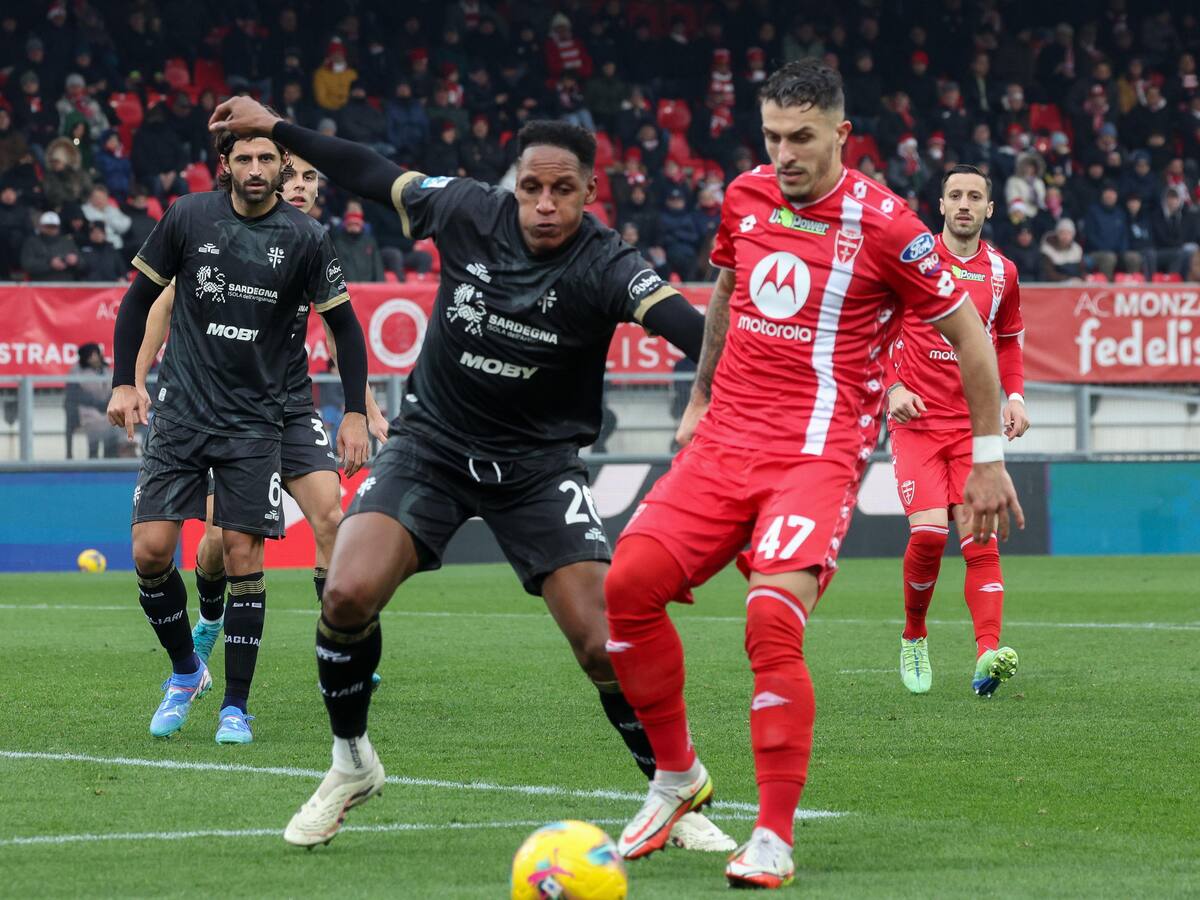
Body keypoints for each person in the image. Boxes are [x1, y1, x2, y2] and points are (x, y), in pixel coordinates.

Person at [207, 97, 731, 854]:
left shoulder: (608, 262)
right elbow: (368, 170)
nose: (545, 205)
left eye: (564, 191)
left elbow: (682, 322)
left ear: (590, 193)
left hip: (538, 465)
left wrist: (716, 381)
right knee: (347, 593)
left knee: (602, 643)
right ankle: (351, 762)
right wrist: (276, 129)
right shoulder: (464, 210)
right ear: (515, 184)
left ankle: (671, 791)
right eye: (532, 188)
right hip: (434, 445)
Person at [599, 60, 1022, 889]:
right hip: (723, 440)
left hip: (816, 453)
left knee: (770, 620)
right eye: (772, 137)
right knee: (627, 587)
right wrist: (697, 397)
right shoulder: (746, 196)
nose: (784, 154)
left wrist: (987, 457)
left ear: (840, 135)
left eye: (801, 138)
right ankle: (678, 777)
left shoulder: (891, 226)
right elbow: (725, 287)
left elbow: (974, 336)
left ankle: (771, 835)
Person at [106, 128, 370, 746]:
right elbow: (140, 300)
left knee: (246, 556)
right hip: (182, 412)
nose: (255, 169)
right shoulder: (188, 216)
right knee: (150, 551)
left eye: (266, 160)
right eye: (243, 159)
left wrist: (356, 410)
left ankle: (236, 706)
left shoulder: (306, 238)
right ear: (225, 165)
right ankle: (185, 672)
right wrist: (126, 381)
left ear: (282, 166)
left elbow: (347, 330)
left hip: (257, 419)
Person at [885, 164, 1030, 698]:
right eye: (955, 195)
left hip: (976, 429)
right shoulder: (912, 265)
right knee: (927, 533)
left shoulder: (1002, 272)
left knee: (980, 540)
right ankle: (914, 634)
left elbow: (1009, 340)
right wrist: (892, 388)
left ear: (990, 209)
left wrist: (1014, 396)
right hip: (918, 424)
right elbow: (877, 329)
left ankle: (987, 654)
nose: (965, 204)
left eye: (975, 196)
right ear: (940, 205)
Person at [66, 342, 121, 458]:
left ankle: (110, 457)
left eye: (96, 354)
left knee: (112, 422)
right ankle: (93, 456)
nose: (94, 358)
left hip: (107, 408)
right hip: (87, 410)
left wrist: (108, 402)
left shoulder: (107, 370)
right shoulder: (76, 372)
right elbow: (74, 394)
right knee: (95, 425)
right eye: (91, 355)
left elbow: (115, 389)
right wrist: (96, 403)